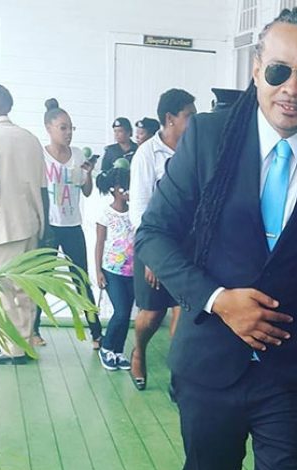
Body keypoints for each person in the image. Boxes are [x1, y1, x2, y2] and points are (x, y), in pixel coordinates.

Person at [136, 8, 297, 470]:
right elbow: (153, 236)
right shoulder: (208, 137)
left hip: (296, 374)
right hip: (208, 364)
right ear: (256, 68)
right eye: (279, 71)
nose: (292, 89)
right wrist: (218, 300)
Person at [0, 83, 48, 364]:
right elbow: (43, 188)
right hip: (32, 224)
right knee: (25, 290)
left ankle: (9, 349)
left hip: (3, 227)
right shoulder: (31, 139)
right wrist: (44, 226)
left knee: (2, 290)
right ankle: (25, 346)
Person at [128, 88, 196, 390]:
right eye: (189, 116)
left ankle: (177, 374)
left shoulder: (194, 150)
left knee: (183, 311)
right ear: (170, 118)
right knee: (152, 315)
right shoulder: (147, 154)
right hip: (155, 244)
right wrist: (153, 257)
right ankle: (138, 351)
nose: (194, 121)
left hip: (187, 246)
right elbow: (139, 211)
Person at [32, 98, 103, 349]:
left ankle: (96, 333)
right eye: (63, 127)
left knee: (81, 279)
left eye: (71, 128)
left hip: (73, 225)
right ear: (49, 128)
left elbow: (86, 191)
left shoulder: (78, 155)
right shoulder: (40, 155)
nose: (68, 133)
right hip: (49, 227)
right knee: (42, 280)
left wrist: (87, 173)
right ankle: (33, 330)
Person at [94, 167, 134, 371]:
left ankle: (118, 351)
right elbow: (99, 242)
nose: (128, 191)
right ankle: (106, 347)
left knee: (126, 313)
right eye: (124, 187)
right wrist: (98, 271)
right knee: (121, 311)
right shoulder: (105, 213)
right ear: (114, 189)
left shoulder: (135, 211)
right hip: (112, 270)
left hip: (132, 272)